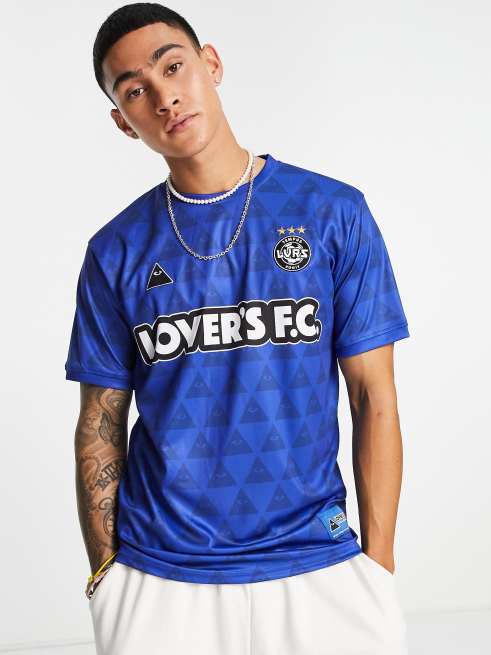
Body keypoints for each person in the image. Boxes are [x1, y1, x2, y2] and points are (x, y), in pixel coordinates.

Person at [65, 3, 411, 654]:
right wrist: (106, 575)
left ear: (211, 64)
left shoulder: (332, 213)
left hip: (319, 563)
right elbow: (100, 418)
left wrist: (377, 567)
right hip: (160, 577)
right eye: (135, 90)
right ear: (123, 122)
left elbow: (374, 395)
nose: (164, 97)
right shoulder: (115, 250)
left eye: (173, 68)